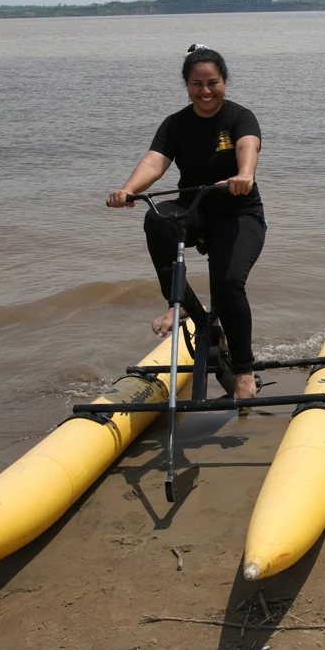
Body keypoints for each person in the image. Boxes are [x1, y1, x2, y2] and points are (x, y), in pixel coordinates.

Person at [107, 44, 266, 398]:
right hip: (196, 209)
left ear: (225, 82)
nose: (205, 91)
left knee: (228, 285)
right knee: (158, 218)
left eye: (213, 82)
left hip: (239, 212)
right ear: (186, 85)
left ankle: (243, 371)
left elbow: (248, 146)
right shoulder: (176, 124)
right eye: (197, 84)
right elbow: (155, 161)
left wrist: (244, 174)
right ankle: (181, 308)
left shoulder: (239, 117)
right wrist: (127, 190)